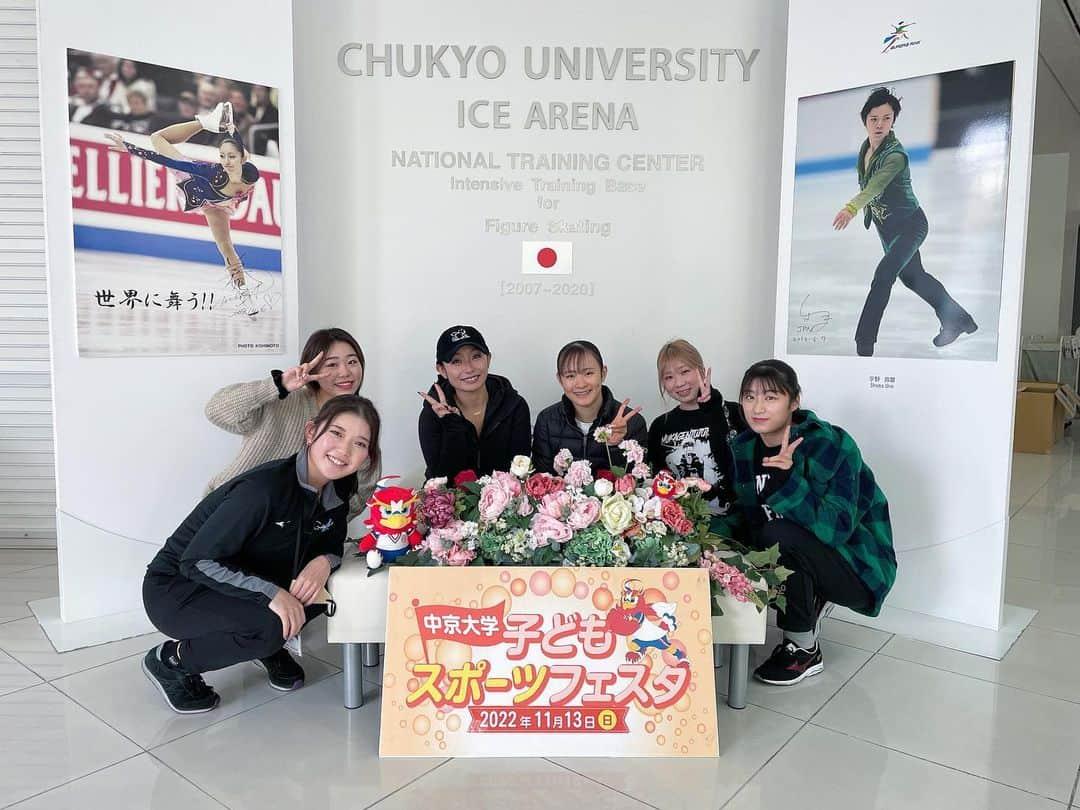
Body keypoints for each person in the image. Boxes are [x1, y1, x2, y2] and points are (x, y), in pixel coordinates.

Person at [142, 395, 380, 713]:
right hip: (179, 588)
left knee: (326, 592)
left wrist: (324, 562)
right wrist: (272, 594)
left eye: (359, 443)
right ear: (312, 432)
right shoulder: (264, 490)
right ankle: (171, 660)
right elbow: (197, 561)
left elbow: (333, 541)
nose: (344, 450)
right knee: (269, 626)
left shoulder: (337, 488)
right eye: (336, 434)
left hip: (247, 579)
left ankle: (266, 641)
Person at [715, 359, 895, 686]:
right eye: (749, 397)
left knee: (777, 533)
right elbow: (747, 513)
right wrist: (701, 535)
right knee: (761, 534)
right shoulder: (744, 447)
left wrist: (785, 482)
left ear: (794, 401)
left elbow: (837, 527)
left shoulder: (830, 444)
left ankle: (803, 649)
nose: (757, 407)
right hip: (798, 550)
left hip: (857, 566)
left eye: (771, 397)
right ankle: (808, 593)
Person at [833, 87, 977, 357]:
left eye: (886, 118)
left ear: (893, 121)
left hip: (911, 225)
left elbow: (875, 186)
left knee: (883, 277)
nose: (879, 124)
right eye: (874, 118)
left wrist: (851, 208)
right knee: (914, 278)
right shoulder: (865, 149)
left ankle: (864, 344)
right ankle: (959, 319)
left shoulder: (895, 156)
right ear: (865, 120)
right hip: (888, 230)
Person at [103, 101, 265, 315]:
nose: (226, 161)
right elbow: (167, 161)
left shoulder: (250, 172)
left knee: (226, 247)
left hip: (222, 201)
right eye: (222, 156)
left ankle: (246, 296)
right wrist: (130, 148)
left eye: (232, 157)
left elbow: (237, 142)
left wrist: (230, 127)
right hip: (198, 187)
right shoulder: (209, 172)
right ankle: (206, 122)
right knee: (156, 139)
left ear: (242, 159)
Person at [205, 327, 379, 518]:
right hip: (228, 512)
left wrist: (319, 526)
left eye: (352, 362)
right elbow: (216, 411)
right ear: (313, 369)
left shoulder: (361, 424)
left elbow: (361, 493)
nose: (345, 372)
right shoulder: (284, 401)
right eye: (332, 365)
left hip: (285, 534)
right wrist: (278, 385)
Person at [418, 325, 531, 480]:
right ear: (442, 369)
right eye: (456, 361)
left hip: (505, 498)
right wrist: (453, 426)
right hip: (451, 500)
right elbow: (440, 480)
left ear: (488, 359)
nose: (469, 368)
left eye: (476, 356)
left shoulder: (514, 406)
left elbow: (520, 471)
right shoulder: (432, 414)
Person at [647, 339, 745, 514]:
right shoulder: (660, 426)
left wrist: (712, 404)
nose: (679, 383)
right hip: (682, 527)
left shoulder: (732, 412)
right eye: (669, 377)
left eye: (685, 371)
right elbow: (657, 481)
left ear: (700, 369)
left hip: (733, 525)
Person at [532, 340, 646, 474]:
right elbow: (540, 479)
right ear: (560, 379)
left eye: (588, 373)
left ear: (603, 373)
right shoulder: (547, 421)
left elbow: (637, 482)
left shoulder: (632, 422)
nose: (580, 384)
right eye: (570, 376)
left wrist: (615, 445)